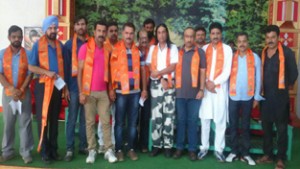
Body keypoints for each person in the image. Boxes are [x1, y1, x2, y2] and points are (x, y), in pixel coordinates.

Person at [256, 25, 298, 169]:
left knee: (281, 129)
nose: (270, 40)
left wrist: (285, 86)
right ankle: (267, 154)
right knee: (266, 128)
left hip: (280, 99)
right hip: (265, 98)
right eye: (268, 38)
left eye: (273, 37)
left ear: (278, 37)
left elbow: (294, 74)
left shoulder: (287, 53)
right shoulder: (263, 53)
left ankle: (280, 158)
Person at [77, 21, 117, 164]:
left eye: (103, 31)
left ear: (106, 33)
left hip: (103, 93)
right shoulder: (84, 48)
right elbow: (80, 72)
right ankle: (92, 150)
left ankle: (108, 150)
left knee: (106, 122)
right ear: (94, 32)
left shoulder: (107, 49)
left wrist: (111, 88)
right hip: (88, 93)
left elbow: (111, 71)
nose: (101, 34)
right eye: (98, 31)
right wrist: (81, 92)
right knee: (89, 123)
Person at [28, 15, 66, 164]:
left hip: (57, 87)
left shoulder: (60, 46)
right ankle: (44, 152)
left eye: (55, 27)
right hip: (42, 86)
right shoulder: (38, 45)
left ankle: (53, 150)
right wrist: (46, 72)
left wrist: (65, 87)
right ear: (45, 29)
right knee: (43, 120)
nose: (53, 30)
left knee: (54, 120)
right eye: (50, 28)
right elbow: (31, 67)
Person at [110, 22, 147, 161]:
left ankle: (131, 148)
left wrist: (144, 89)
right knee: (119, 123)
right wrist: (111, 89)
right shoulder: (115, 50)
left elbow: (143, 70)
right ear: (122, 34)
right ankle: (119, 150)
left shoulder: (138, 51)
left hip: (135, 93)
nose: (129, 36)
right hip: (120, 93)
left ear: (134, 34)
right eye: (126, 33)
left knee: (133, 123)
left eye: (131, 33)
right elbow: (110, 71)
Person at [225, 32, 264, 165]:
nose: (242, 44)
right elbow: (226, 77)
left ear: (248, 42)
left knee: (246, 126)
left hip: (248, 97)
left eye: (244, 41)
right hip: (233, 96)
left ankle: (246, 153)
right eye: (239, 41)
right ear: (236, 44)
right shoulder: (231, 58)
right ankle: (234, 151)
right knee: (233, 125)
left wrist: (257, 97)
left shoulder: (255, 58)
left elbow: (259, 78)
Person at [198, 22, 233, 162]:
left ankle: (219, 150)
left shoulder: (227, 50)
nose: (215, 36)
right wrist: (207, 82)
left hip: (219, 90)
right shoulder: (204, 48)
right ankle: (204, 148)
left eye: (218, 33)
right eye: (213, 33)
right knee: (205, 120)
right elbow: (201, 69)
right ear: (209, 34)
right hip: (206, 90)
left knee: (220, 121)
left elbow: (227, 71)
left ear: (221, 34)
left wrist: (215, 83)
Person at [0, 25, 34, 164]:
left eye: (19, 37)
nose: (17, 39)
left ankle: (26, 152)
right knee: (8, 123)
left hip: (24, 93)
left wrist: (21, 88)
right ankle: (7, 152)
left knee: (25, 123)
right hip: (8, 94)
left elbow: (30, 73)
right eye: (14, 37)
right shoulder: (2, 54)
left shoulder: (28, 54)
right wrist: (11, 88)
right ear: (9, 37)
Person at [173, 27, 206, 161]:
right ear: (183, 37)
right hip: (180, 93)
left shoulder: (200, 53)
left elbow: (203, 71)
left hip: (195, 95)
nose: (189, 39)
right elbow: (172, 69)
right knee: (181, 121)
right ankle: (179, 148)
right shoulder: (178, 52)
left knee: (192, 122)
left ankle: (192, 149)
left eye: (192, 36)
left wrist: (202, 89)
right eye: (187, 36)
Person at [146, 23, 178, 158]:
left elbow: (173, 66)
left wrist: (161, 74)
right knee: (156, 116)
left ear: (167, 33)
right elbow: (149, 65)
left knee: (169, 116)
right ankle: (156, 145)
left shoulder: (173, 48)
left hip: (170, 85)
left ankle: (168, 145)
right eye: (159, 32)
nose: (161, 35)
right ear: (156, 34)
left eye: (163, 32)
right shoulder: (152, 48)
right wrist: (160, 78)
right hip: (156, 85)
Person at [63, 16, 89, 161]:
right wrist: (66, 88)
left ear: (86, 26)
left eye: (83, 24)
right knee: (72, 119)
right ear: (74, 27)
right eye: (78, 24)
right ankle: (69, 148)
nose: (80, 27)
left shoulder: (90, 44)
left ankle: (83, 145)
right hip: (73, 87)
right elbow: (66, 68)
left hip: (87, 88)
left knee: (86, 119)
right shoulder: (68, 45)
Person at [97, 21, 119, 154]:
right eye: (111, 31)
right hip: (104, 88)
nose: (113, 33)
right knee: (103, 117)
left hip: (119, 88)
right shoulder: (102, 48)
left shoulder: (120, 47)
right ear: (106, 33)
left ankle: (113, 142)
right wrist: (108, 88)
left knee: (116, 117)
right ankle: (101, 143)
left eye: (116, 30)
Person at [137, 29, 151, 153]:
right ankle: (132, 143)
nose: (144, 40)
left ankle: (143, 144)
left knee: (145, 117)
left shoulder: (152, 51)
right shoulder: (134, 51)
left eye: (146, 37)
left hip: (148, 87)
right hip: (135, 87)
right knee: (134, 117)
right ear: (138, 40)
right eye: (141, 37)